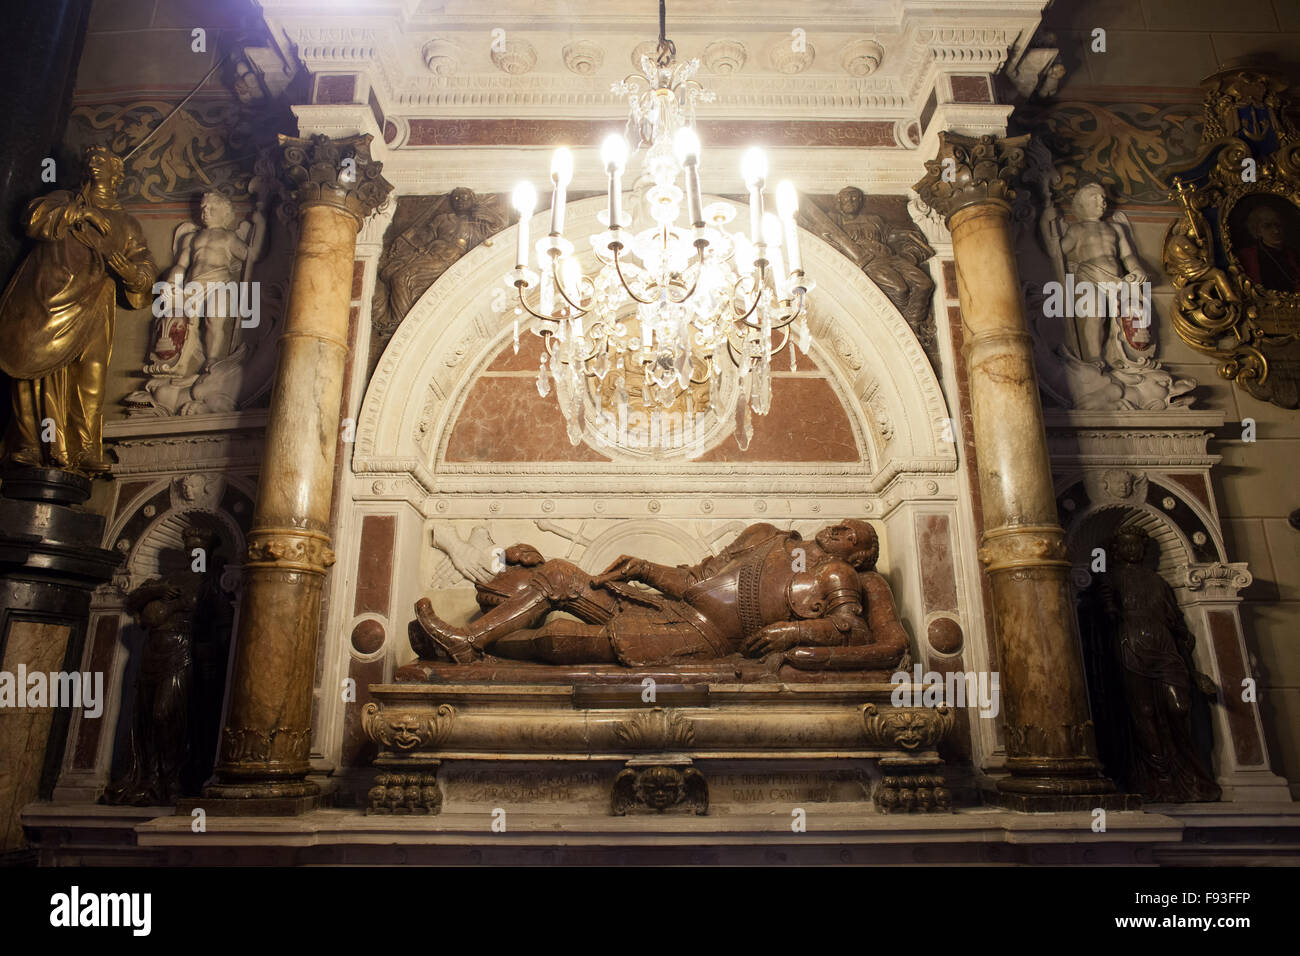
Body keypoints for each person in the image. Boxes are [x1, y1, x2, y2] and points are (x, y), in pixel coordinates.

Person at [412, 519, 907, 670]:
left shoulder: (839, 575)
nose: (840, 528)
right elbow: (698, 576)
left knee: (566, 638)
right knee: (561, 573)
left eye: (854, 533)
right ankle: (466, 641)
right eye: (842, 524)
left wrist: (788, 632)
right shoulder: (766, 536)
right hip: (671, 604)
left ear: (861, 557)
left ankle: (473, 650)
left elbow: (854, 631)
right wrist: (644, 569)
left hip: (702, 636)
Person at [0, 145, 155, 473]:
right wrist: (80, 213)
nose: (93, 163)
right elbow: (32, 218)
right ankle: (31, 444)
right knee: (35, 370)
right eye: (90, 159)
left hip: (95, 301)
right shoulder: (61, 199)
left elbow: (144, 264)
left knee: (90, 376)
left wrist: (132, 274)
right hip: (45, 298)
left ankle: (82, 447)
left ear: (116, 173)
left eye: (102, 159)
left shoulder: (127, 225)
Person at [1237, 204, 1300, 292]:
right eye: (1267, 226)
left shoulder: (1293, 254)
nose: (1276, 231)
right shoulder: (1248, 256)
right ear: (1257, 231)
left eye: (1278, 225)